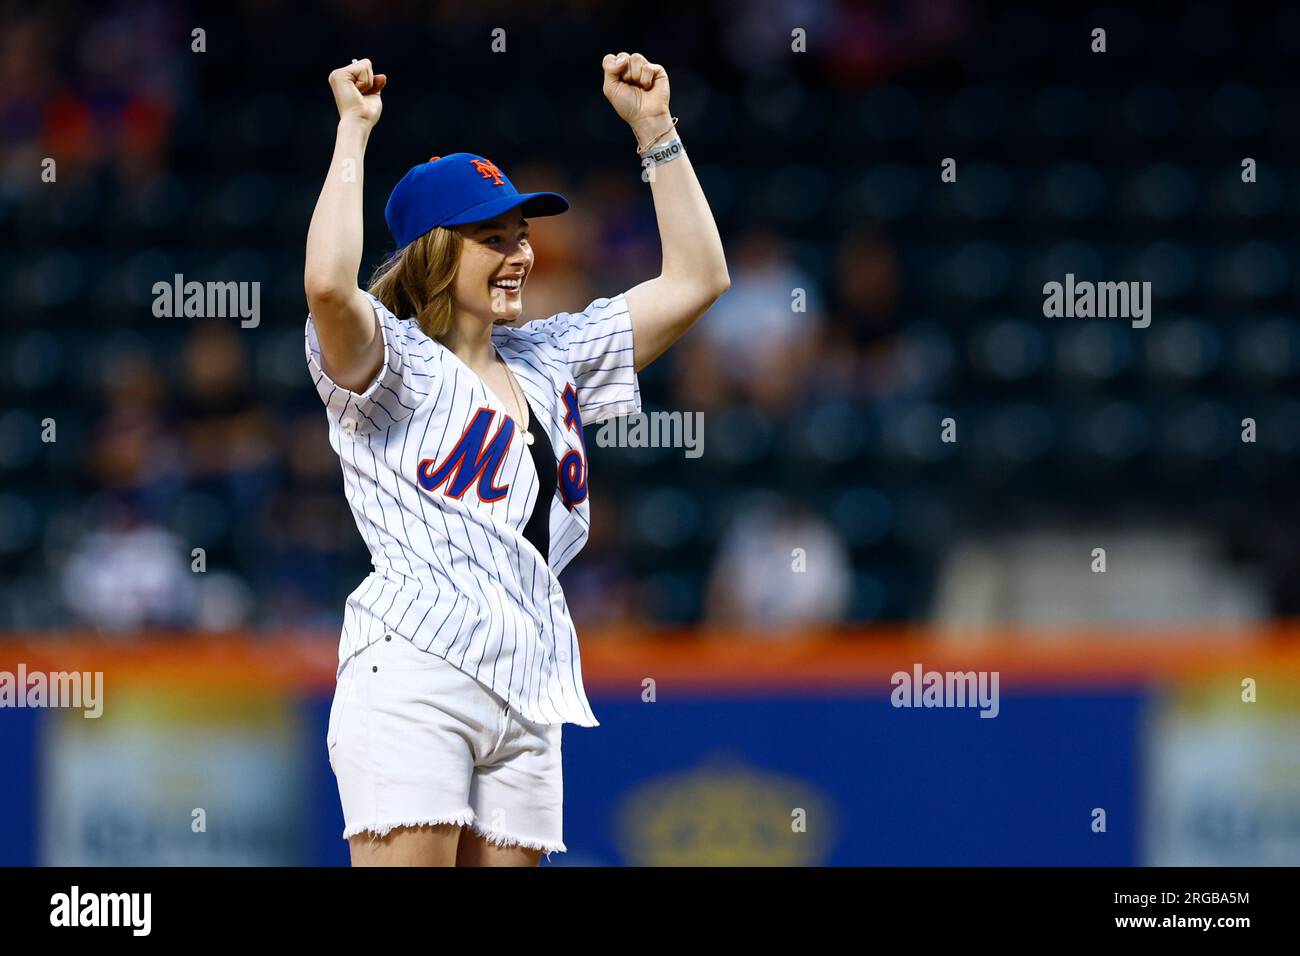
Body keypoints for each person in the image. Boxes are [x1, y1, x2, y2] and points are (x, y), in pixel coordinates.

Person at [304, 54, 728, 866]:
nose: (520, 253)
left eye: (522, 232)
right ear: (432, 252)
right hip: (415, 667)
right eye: (491, 237)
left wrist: (656, 133)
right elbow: (329, 285)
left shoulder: (551, 354)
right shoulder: (389, 362)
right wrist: (352, 133)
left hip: (532, 677)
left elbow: (699, 278)